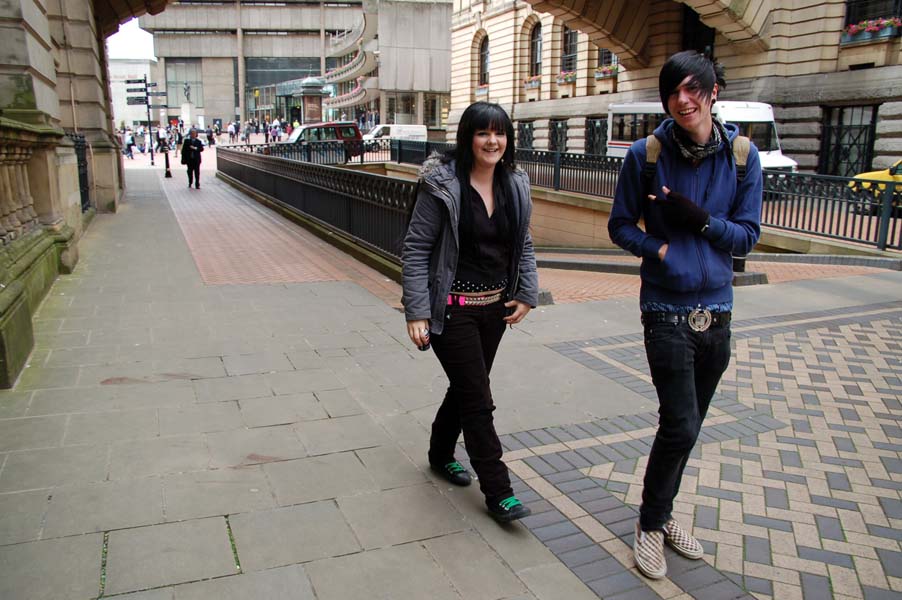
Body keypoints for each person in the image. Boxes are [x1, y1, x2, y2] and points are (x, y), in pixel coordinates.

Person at [608, 50, 763, 580]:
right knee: (678, 423)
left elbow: (747, 235)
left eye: (694, 89)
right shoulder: (645, 154)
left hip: (718, 310)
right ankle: (650, 525)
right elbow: (621, 226)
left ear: (713, 91)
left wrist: (700, 222)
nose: (683, 99)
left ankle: (663, 511)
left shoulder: (742, 155)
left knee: (690, 426)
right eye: (674, 91)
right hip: (666, 309)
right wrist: (662, 251)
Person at [402, 102, 538, 524]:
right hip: (452, 310)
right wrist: (416, 311)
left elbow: (524, 243)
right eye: (483, 133)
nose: (492, 141)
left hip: (495, 310)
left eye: (499, 133)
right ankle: (499, 491)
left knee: (466, 389)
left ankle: (440, 455)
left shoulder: (515, 183)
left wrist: (527, 293)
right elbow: (416, 249)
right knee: (478, 399)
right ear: (468, 137)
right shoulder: (441, 184)